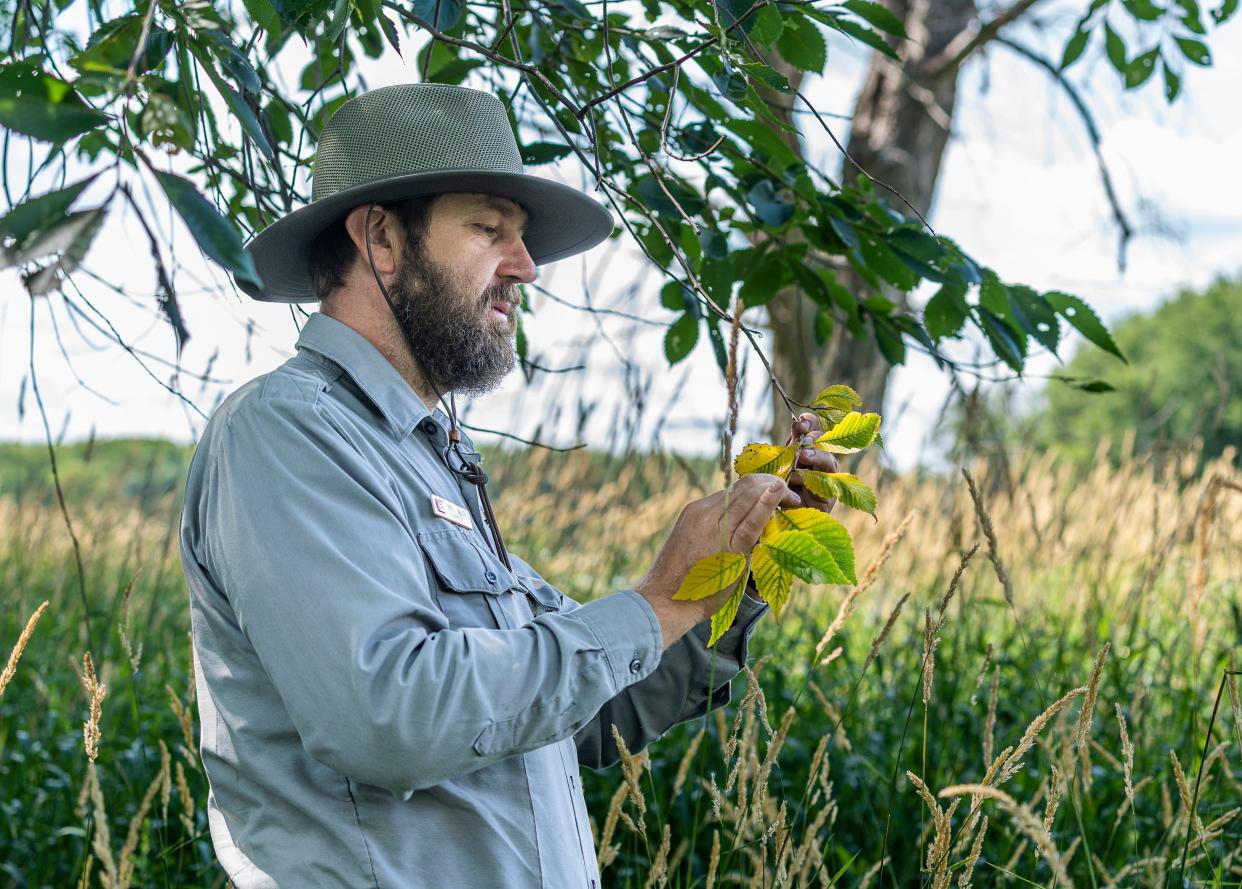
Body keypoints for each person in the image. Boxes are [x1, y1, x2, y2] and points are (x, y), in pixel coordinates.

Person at [178, 83, 839, 888]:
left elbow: (591, 715)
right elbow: (389, 718)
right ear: (381, 238)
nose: (526, 266)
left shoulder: (429, 455)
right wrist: (657, 599)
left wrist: (729, 577)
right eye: (490, 229)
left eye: (520, 238)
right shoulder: (287, 433)